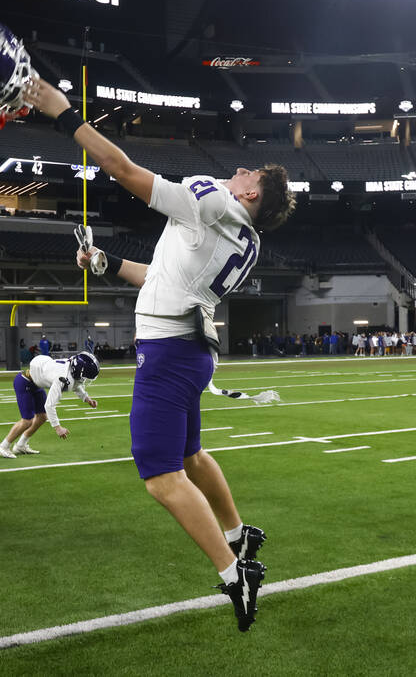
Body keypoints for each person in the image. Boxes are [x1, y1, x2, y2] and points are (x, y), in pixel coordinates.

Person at [27, 75, 294, 632]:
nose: (238, 170)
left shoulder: (214, 201)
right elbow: (160, 275)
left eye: (247, 174)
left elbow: (123, 170)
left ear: (248, 194)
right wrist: (105, 264)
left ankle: (234, 572)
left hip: (170, 351)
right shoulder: (245, 236)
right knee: (192, 457)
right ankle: (238, 534)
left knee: (161, 476)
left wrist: (62, 112)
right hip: (192, 348)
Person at [0, 351, 100, 458]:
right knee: (27, 421)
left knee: (41, 417)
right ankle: (3, 446)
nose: (84, 379)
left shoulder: (71, 368)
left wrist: (87, 398)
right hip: (24, 382)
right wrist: (58, 428)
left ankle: (20, 445)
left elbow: (75, 384)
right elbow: (49, 406)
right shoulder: (61, 377)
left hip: (36, 384)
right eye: (85, 376)